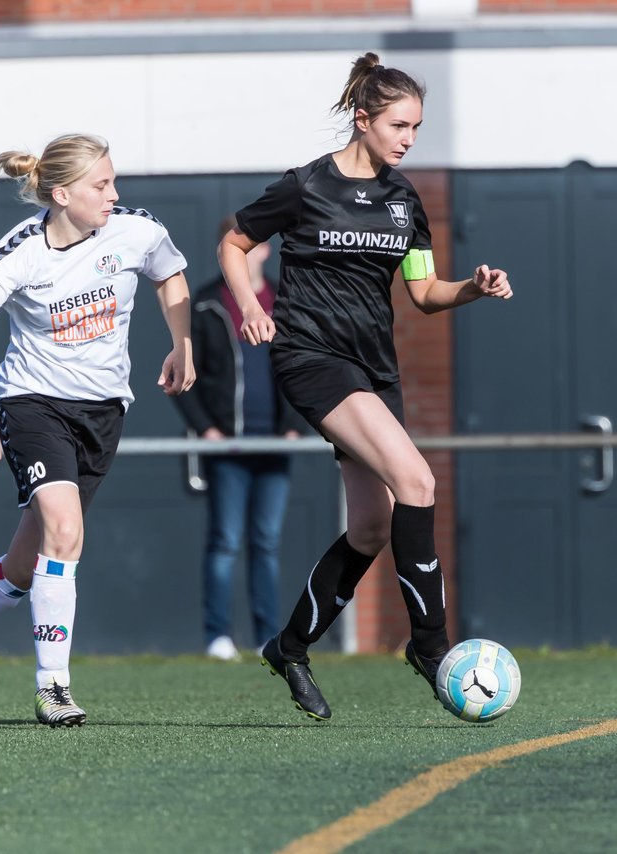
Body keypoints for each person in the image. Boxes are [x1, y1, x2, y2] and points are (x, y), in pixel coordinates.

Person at [219, 53, 512, 720]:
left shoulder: (405, 202)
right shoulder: (304, 187)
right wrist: (253, 308)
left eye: (417, 127)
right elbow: (234, 244)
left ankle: (289, 647)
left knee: (375, 523)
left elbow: (424, 293)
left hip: (375, 370)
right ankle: (431, 647)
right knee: (419, 483)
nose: (409, 138)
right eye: (399, 124)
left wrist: (473, 287)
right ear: (363, 118)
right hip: (312, 359)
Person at [0, 133, 194, 726]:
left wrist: (181, 343)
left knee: (27, 564)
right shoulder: (21, 251)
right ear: (61, 194)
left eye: (113, 181)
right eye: (101, 185)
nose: (115, 195)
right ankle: (53, 687)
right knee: (65, 527)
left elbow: (172, 277)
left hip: (104, 410)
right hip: (34, 405)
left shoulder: (135, 229)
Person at [175, 215, 303, 662]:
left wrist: (294, 425)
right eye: (235, 247)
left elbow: (299, 370)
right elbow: (183, 373)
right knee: (225, 541)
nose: (246, 255)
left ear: (266, 250)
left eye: (253, 247)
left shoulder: (287, 302)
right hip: (226, 446)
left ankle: (270, 637)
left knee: (266, 542)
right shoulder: (208, 302)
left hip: (274, 444)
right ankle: (218, 637)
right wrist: (206, 428)